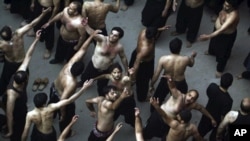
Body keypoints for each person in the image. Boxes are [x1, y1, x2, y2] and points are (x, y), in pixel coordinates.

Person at [48, 30, 99, 138]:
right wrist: (63, 114)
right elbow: (64, 100)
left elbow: (82, 49)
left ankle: (50, 116)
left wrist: (92, 36)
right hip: (61, 98)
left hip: (53, 89)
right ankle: (66, 133)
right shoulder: (72, 83)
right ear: (80, 73)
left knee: (51, 106)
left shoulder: (69, 64)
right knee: (65, 119)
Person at [143, 75, 217, 140]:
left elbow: (202, 109)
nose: (190, 99)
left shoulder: (192, 105)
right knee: (147, 134)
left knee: (163, 136)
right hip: (159, 117)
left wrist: (212, 118)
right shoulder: (179, 96)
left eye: (193, 98)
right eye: (190, 95)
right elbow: (173, 88)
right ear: (187, 93)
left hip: (169, 124)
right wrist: (171, 81)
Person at [0, 7, 51, 97]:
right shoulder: (18, 33)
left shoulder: (1, 45)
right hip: (21, 63)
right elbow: (32, 24)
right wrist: (43, 14)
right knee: (22, 81)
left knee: (5, 79)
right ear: (11, 34)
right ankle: (18, 96)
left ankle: (3, 94)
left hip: (9, 63)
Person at [1, 30, 42, 140]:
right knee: (17, 128)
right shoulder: (12, 95)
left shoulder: (20, 71)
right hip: (14, 108)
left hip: (20, 102)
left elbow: (28, 55)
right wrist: (10, 130)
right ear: (24, 82)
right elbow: (10, 114)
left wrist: (36, 40)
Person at [21, 79, 93, 141]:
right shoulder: (51, 108)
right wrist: (83, 88)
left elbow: (25, 132)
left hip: (37, 132)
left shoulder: (30, 115)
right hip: (48, 134)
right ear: (44, 104)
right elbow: (70, 100)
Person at [80, 20, 129, 96]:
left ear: (119, 38)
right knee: (85, 77)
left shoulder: (119, 47)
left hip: (106, 69)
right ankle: (82, 84)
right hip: (93, 65)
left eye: (115, 35)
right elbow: (93, 34)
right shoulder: (102, 39)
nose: (111, 36)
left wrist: (126, 70)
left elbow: (123, 57)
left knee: (102, 86)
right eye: (111, 33)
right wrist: (86, 25)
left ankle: (102, 97)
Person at [149, 37, 196, 111]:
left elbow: (156, 74)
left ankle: (153, 113)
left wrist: (151, 85)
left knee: (157, 99)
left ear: (170, 48)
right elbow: (192, 64)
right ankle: (178, 115)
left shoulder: (163, 59)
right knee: (181, 101)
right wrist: (192, 57)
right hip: (180, 82)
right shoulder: (186, 59)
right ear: (180, 48)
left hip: (166, 81)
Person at [198, 0, 240, 78]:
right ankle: (211, 52)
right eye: (224, 4)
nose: (224, 6)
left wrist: (208, 36)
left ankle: (220, 69)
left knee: (223, 53)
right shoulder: (226, 8)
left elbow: (222, 29)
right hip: (217, 31)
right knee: (213, 43)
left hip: (226, 36)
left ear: (232, 7)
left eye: (227, 6)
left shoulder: (233, 15)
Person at [129, 26, 169, 102]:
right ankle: (142, 97)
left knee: (147, 74)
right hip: (143, 64)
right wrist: (133, 77)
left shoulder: (144, 31)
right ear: (155, 36)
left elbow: (152, 29)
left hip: (137, 54)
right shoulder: (145, 49)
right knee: (143, 83)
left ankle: (131, 81)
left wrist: (160, 28)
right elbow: (136, 63)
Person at [94, 62, 136, 127]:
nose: (117, 75)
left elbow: (129, 79)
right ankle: (108, 125)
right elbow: (104, 76)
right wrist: (94, 79)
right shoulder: (111, 77)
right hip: (117, 98)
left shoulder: (124, 79)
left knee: (129, 118)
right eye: (114, 73)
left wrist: (131, 75)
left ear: (121, 72)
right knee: (113, 114)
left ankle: (136, 126)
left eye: (119, 72)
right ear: (111, 73)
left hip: (127, 100)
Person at [197, 73, 233, 141]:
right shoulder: (229, 100)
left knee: (200, 132)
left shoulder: (212, 86)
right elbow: (223, 116)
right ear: (230, 84)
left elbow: (208, 94)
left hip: (207, 114)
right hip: (217, 120)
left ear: (220, 80)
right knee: (214, 137)